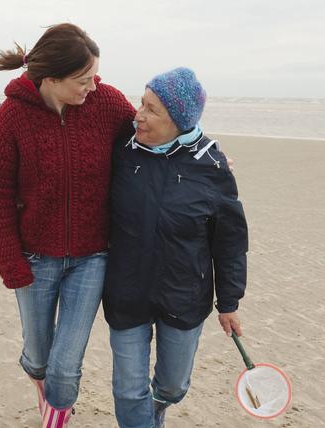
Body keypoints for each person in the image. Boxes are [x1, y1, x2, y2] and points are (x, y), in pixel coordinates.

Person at [0, 23, 136, 427]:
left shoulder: (108, 103)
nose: (93, 86)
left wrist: (202, 155)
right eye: (83, 80)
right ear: (51, 79)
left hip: (92, 257)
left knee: (65, 368)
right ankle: (40, 381)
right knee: (39, 356)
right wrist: (11, 264)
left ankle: (55, 415)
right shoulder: (10, 117)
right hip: (36, 258)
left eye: (94, 76)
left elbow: (148, 139)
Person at [102, 67, 249, 428]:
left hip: (184, 295)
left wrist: (229, 302)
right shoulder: (121, 150)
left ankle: (156, 410)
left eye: (153, 110)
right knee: (128, 390)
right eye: (142, 103)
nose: (139, 114)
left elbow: (230, 241)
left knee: (171, 386)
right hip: (126, 291)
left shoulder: (211, 165)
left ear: (179, 121)